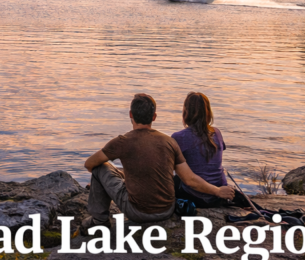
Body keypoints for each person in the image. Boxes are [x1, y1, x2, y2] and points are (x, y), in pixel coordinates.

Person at [82, 93, 235, 227]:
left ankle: (99, 222)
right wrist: (217, 190)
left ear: (130, 114)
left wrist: (108, 179)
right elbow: (188, 178)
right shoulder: (169, 141)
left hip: (137, 212)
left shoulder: (122, 141)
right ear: (154, 116)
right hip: (167, 210)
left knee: (100, 168)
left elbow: (89, 164)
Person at [172, 92, 250, 209]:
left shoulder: (179, 137)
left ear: (186, 112)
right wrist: (223, 189)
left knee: (172, 181)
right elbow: (214, 166)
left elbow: (188, 179)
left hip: (200, 197)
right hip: (220, 194)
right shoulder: (217, 132)